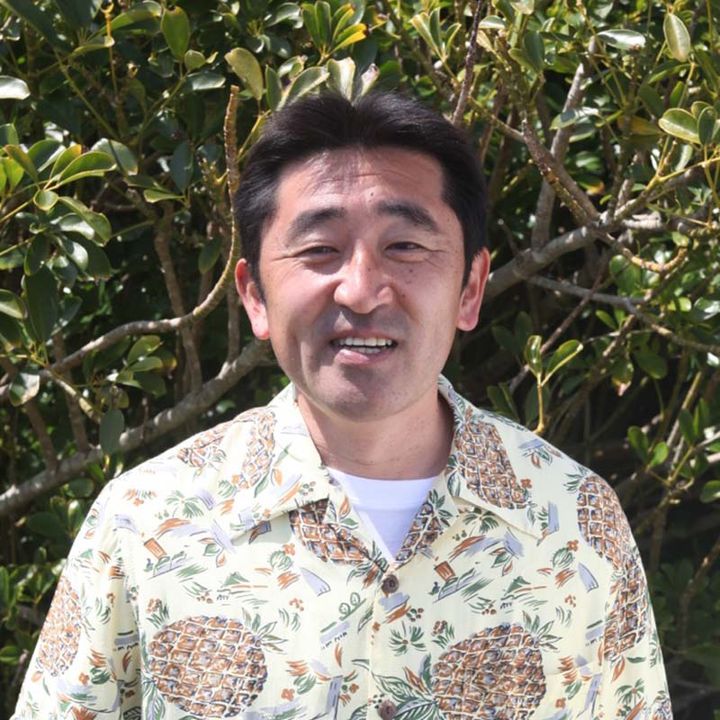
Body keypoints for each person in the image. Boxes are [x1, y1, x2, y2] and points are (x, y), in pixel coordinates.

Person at [13, 92, 671, 720]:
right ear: (255, 296)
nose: (360, 289)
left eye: (405, 246)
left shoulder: (574, 520)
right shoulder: (147, 523)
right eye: (319, 250)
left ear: (470, 288)